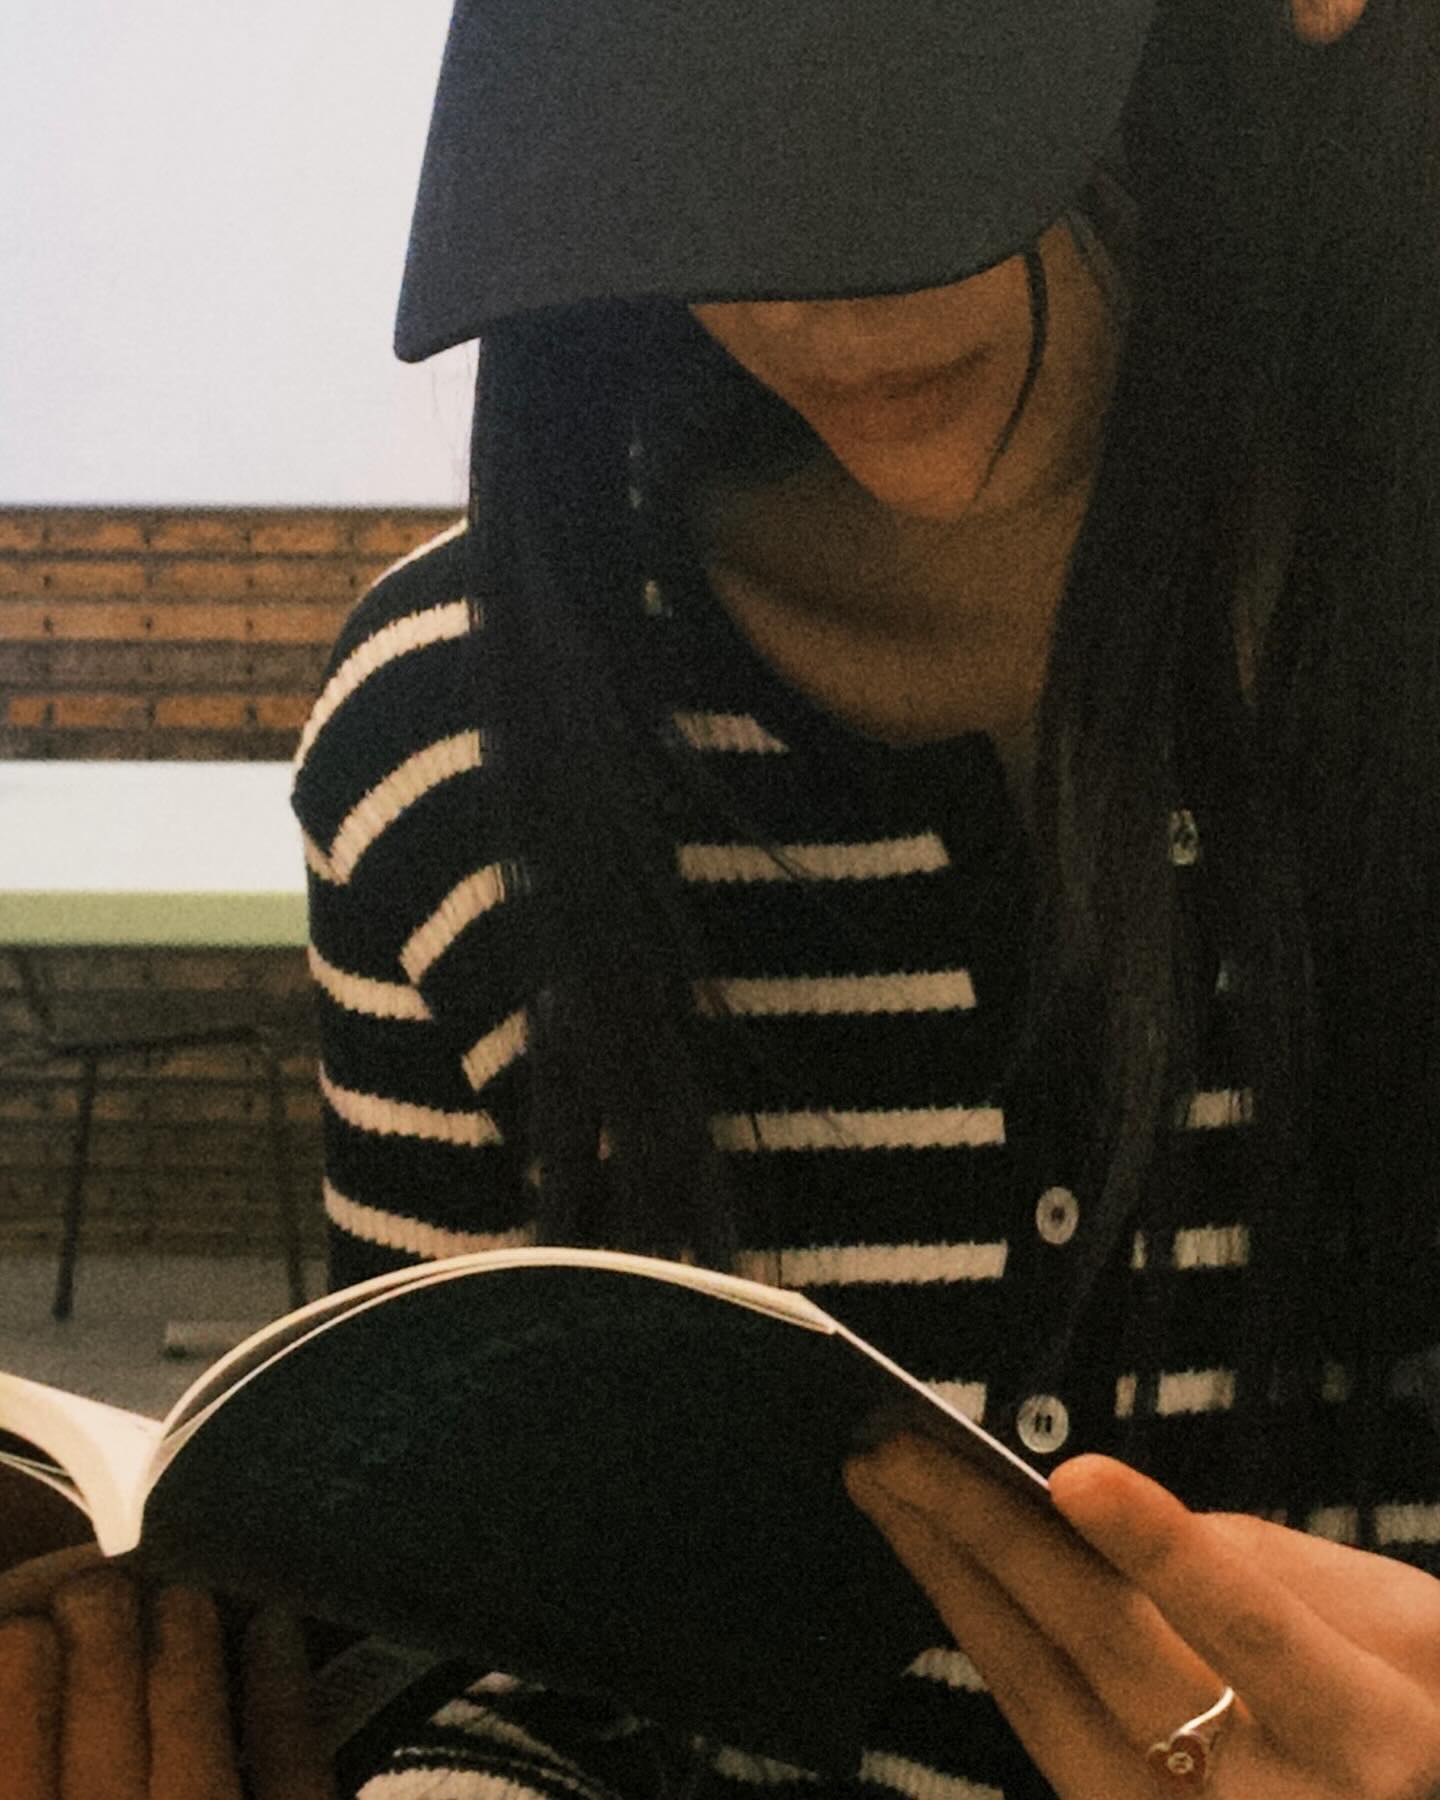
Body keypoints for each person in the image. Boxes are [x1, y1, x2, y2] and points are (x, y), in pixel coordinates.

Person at [3, 0, 1439, 1793]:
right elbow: (515, 1653)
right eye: (680, 151)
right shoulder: (461, 728)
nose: (799, 306)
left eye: (909, 124)